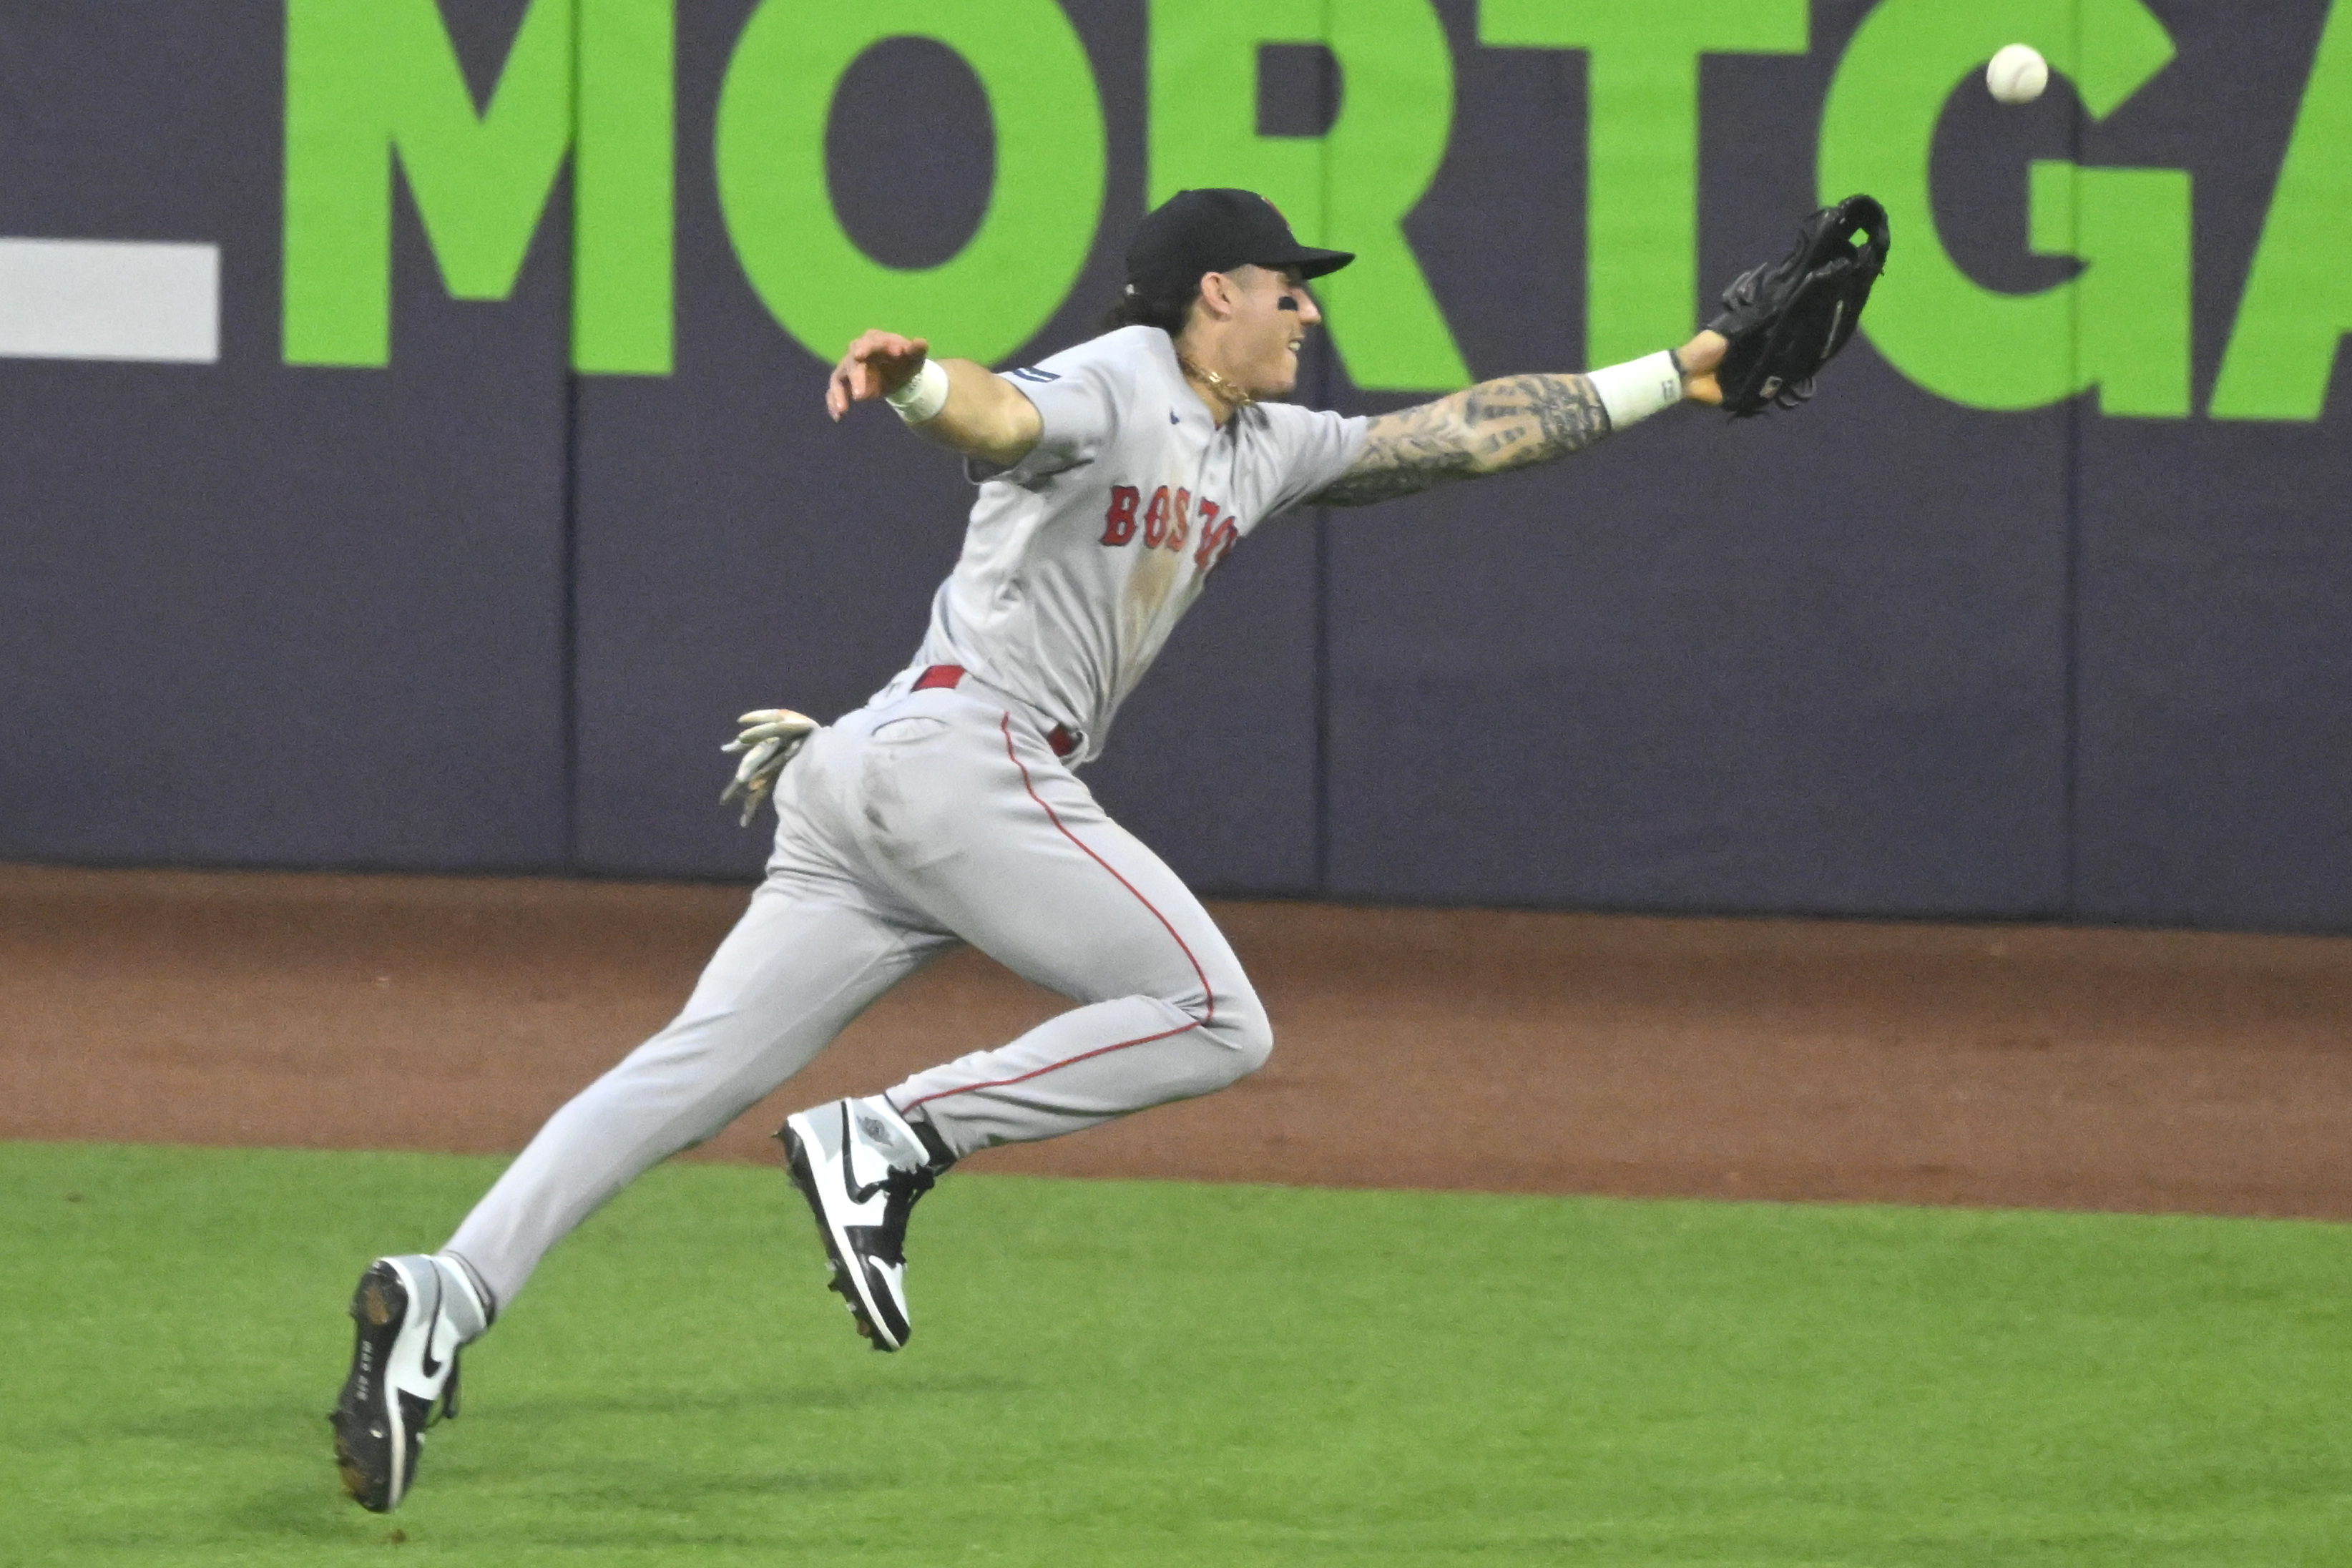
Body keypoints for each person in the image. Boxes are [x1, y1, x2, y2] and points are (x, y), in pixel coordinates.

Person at [330, 187, 1729, 1512]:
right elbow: (1005, 419)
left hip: (873, 773)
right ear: (1211, 294)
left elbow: (1460, 432)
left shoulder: (1265, 442)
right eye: (1287, 289)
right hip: (963, 761)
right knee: (1214, 1017)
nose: (1308, 313)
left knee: (685, 1074)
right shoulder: (1123, 374)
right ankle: (894, 1135)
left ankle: (445, 1291)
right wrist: (925, 383)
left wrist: (1689, 369)